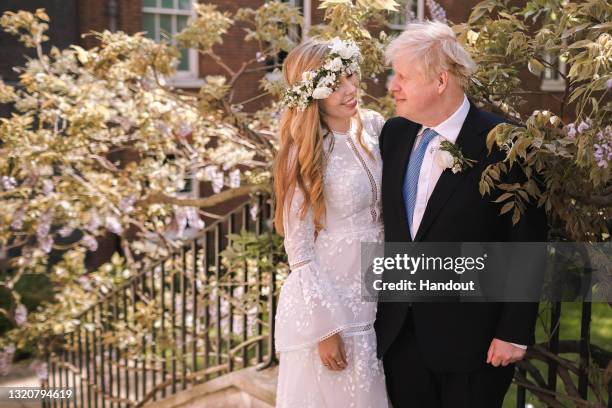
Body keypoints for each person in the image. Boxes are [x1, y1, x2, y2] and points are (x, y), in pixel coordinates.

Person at [374, 21, 548, 408]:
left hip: (477, 345)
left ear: (440, 81)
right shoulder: (394, 135)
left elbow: (528, 243)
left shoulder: (507, 143)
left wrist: (513, 332)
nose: (393, 87)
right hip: (401, 338)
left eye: (402, 77)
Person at [273, 37, 389, 407]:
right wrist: (325, 329)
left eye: (351, 77)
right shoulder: (304, 152)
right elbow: (300, 249)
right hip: (336, 299)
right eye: (336, 84)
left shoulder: (374, 126)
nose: (351, 90)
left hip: (383, 285)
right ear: (313, 93)